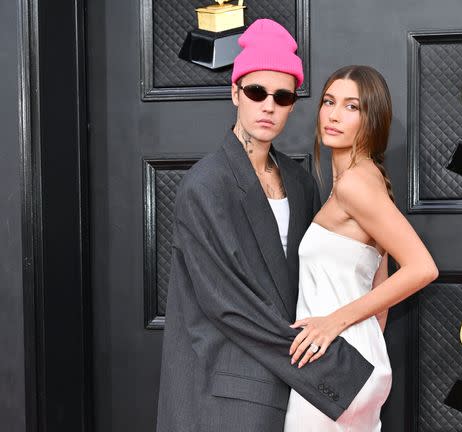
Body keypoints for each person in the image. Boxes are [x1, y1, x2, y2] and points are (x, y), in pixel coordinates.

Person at [156, 20, 373, 432]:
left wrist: (360, 326)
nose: (268, 105)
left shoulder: (300, 181)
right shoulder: (205, 186)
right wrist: (332, 369)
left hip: (293, 384)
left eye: (282, 95)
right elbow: (229, 304)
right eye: (256, 92)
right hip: (229, 389)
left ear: (293, 104)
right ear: (235, 92)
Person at [283, 65, 439, 431]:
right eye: (328, 102)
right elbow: (379, 291)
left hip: (333, 362)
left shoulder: (355, 184)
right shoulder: (368, 179)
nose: (334, 115)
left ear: (373, 119)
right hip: (359, 360)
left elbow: (422, 267)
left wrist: (332, 323)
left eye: (352, 107)